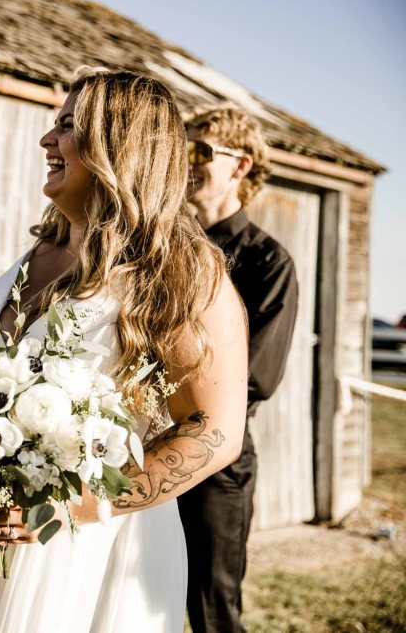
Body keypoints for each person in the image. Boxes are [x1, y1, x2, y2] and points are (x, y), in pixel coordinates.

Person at [0, 69, 249, 633]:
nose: (46, 141)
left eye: (69, 126)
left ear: (118, 145)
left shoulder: (183, 276)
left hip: (82, 549)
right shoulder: (36, 255)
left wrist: (76, 504)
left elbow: (215, 430)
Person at [180, 103, 299, 633]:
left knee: (212, 611)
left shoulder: (269, 262)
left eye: (201, 150)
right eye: (182, 149)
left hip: (215, 462)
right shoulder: (163, 250)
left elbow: (257, 377)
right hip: (135, 447)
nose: (187, 162)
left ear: (241, 166)